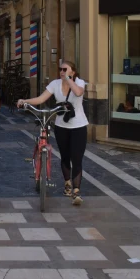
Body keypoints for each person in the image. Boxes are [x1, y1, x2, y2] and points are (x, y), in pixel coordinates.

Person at [18, 61, 88, 206]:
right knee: (65, 157)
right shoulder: (55, 84)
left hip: (79, 126)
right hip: (61, 126)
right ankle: (67, 184)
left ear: (72, 72)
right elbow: (41, 99)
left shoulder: (79, 82)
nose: (61, 72)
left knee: (77, 158)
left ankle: (76, 191)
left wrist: (68, 79)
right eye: (60, 69)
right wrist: (25, 101)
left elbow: (78, 92)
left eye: (65, 69)